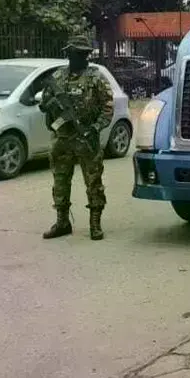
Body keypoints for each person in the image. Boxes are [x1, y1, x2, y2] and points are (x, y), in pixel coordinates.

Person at [38, 35, 114, 241]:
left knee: (93, 182)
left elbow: (108, 108)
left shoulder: (96, 77)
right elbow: (44, 103)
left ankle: (95, 223)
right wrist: (50, 104)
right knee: (60, 181)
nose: (79, 57)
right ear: (68, 54)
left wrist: (95, 128)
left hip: (86, 138)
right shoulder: (58, 77)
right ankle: (62, 222)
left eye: (82, 54)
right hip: (62, 139)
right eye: (75, 53)